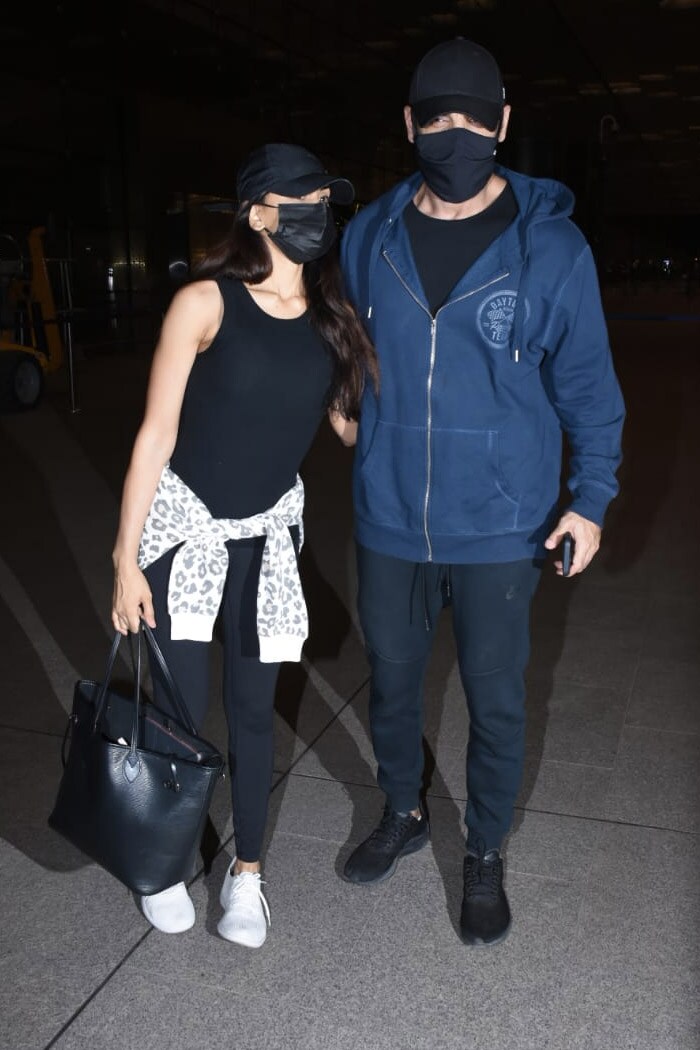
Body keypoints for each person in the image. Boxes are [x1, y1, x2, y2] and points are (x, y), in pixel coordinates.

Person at [338, 37, 625, 947]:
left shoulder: (553, 248)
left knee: (496, 699)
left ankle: (487, 852)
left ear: (503, 123)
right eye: (437, 115)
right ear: (410, 124)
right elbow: (352, 339)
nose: (454, 131)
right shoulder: (368, 235)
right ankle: (404, 809)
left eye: (473, 115)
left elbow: (589, 387)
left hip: (503, 521)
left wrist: (593, 496)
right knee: (389, 684)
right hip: (389, 514)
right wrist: (348, 404)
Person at [111, 142, 378, 947]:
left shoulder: (334, 321)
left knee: (255, 713)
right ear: (259, 210)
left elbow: (352, 434)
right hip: (181, 537)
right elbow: (155, 437)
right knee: (180, 715)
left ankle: (248, 876)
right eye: (302, 203)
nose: (317, 218)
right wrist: (125, 559)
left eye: (326, 204)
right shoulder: (205, 303)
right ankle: (162, 861)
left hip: (262, 544)